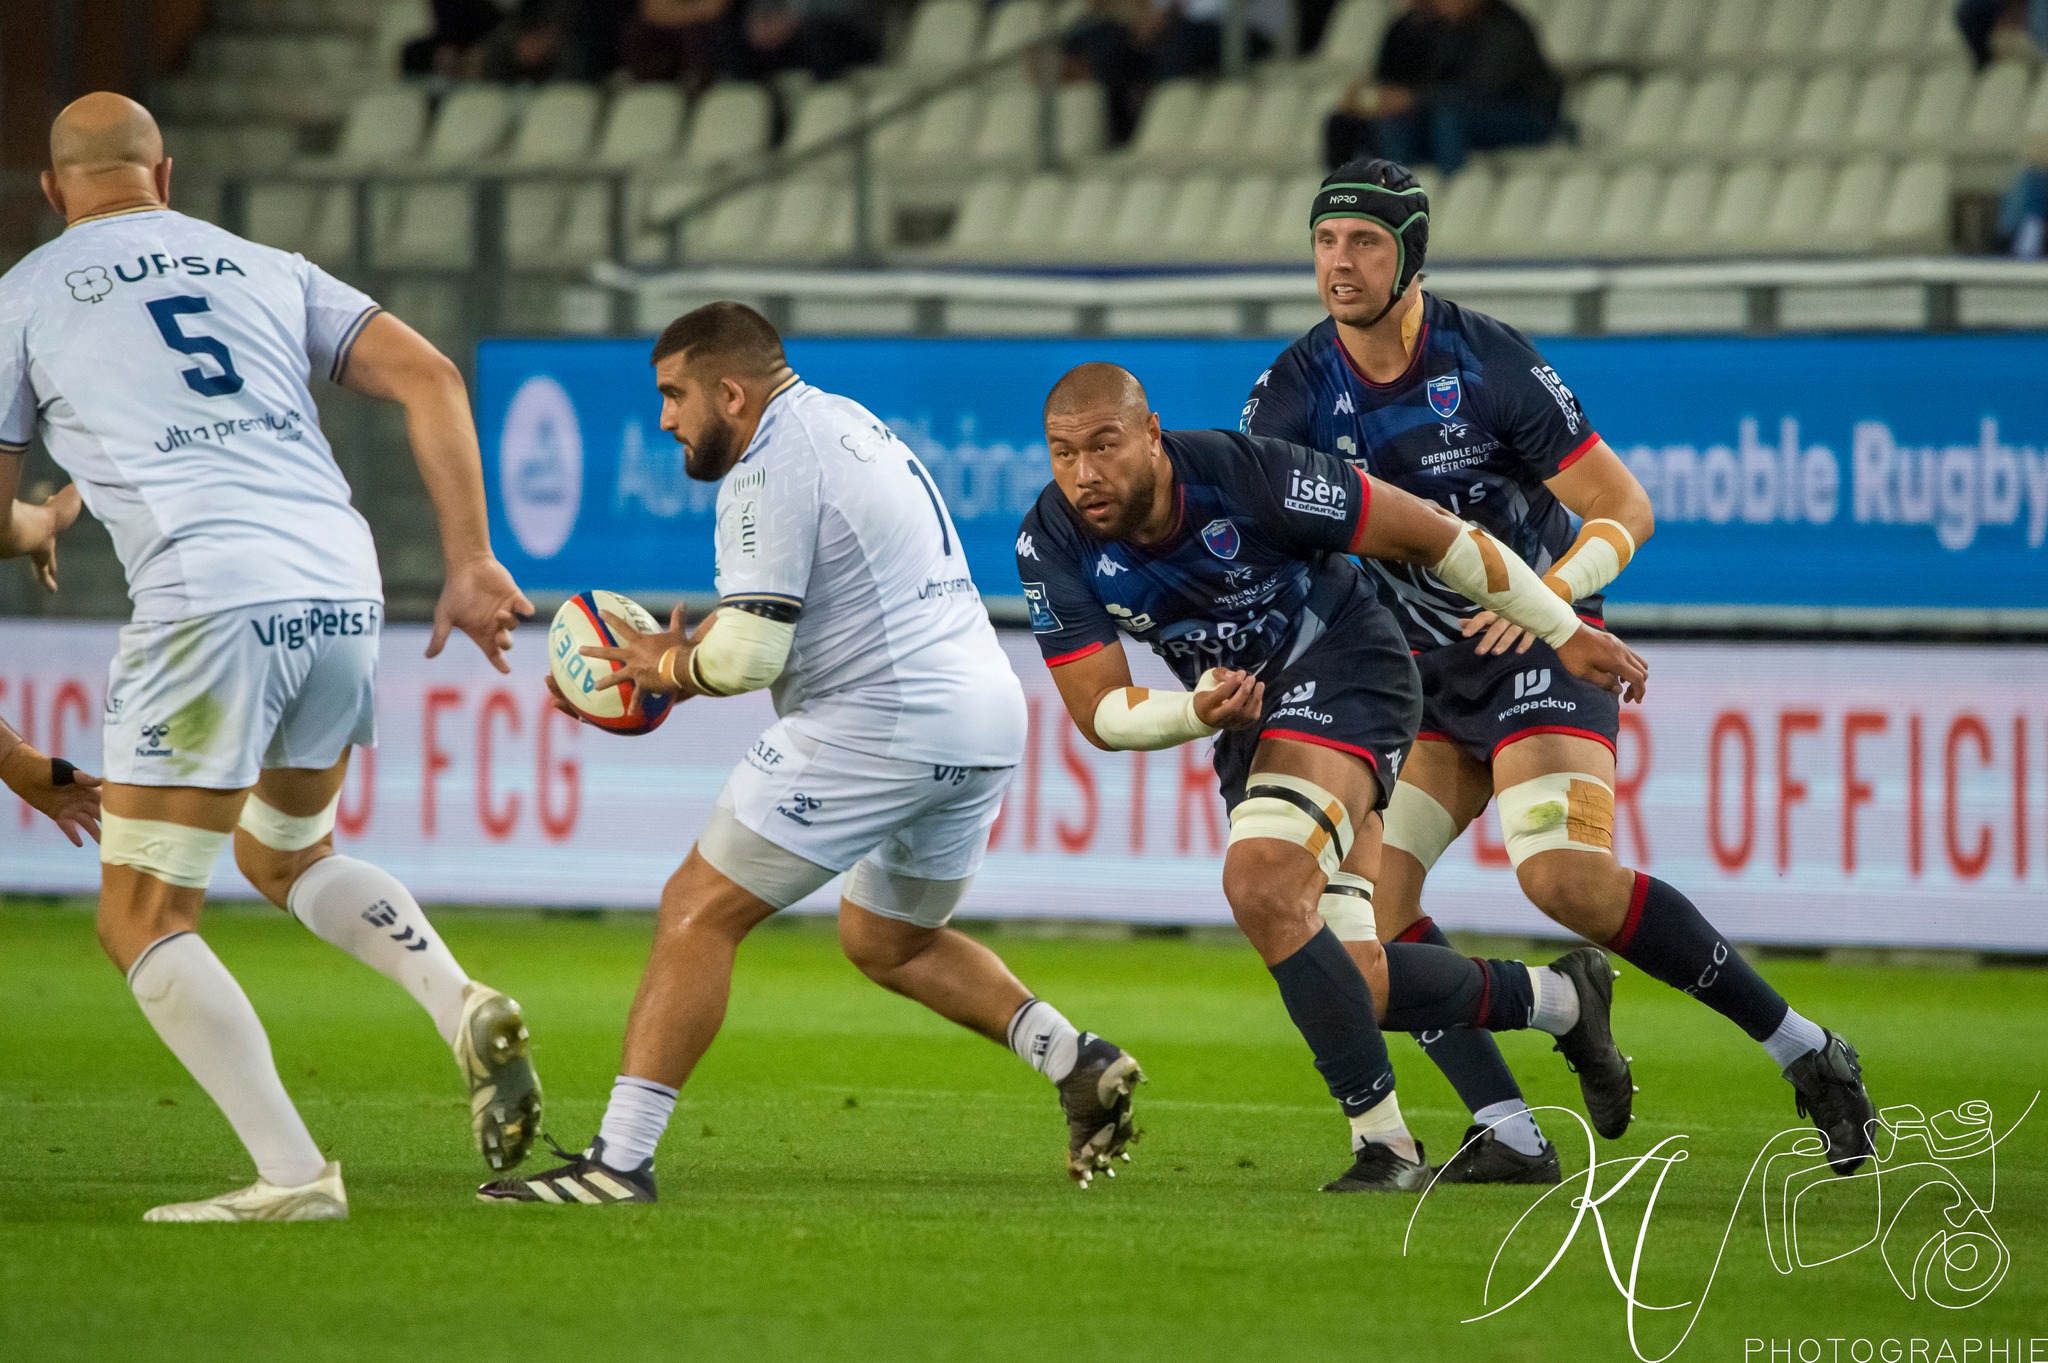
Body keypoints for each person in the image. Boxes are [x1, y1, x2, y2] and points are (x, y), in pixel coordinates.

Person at [1243, 159, 1877, 1181]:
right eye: (1324, 241)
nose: (1338, 263)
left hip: (1537, 650)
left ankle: (1804, 1049)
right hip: (1413, 673)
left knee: (1562, 879)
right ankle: (1510, 1131)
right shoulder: (1290, 391)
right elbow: (1268, 536)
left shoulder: (1483, 361)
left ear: (1407, 252)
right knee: (1366, 919)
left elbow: (1622, 506)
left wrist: (1545, 597)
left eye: (1362, 241)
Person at [0, 93, 544, 1222]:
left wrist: (7, 748)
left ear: (51, 194)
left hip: (208, 601)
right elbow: (433, 375)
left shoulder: (23, 300)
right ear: (168, 174)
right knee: (287, 850)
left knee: (142, 915)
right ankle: (456, 997)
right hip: (338, 582)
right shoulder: (263, 265)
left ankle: (295, 1178)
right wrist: (471, 561)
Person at [479, 303, 1142, 1205]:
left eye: (675, 395)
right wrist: (680, 657)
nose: (665, 418)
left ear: (730, 392)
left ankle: (617, 1162)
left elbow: (752, 656)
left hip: (882, 718)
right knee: (890, 938)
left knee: (695, 910)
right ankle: (1075, 1058)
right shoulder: (844, 421)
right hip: (984, 715)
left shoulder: (766, 467)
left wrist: (664, 667)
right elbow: (812, 602)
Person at [1018, 361, 1648, 1192]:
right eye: (1064, 454)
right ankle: (1563, 1000)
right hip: (1246, 718)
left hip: (1351, 670)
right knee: (1359, 980)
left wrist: (1560, 626)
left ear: (1152, 432)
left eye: (1105, 446)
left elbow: (1435, 535)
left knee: (1263, 884)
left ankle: (1385, 1147)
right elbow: (1099, 710)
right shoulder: (1051, 540)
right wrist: (1195, 713)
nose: (1085, 474)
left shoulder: (1252, 475)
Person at [1323, 0, 1559, 174]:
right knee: (1394, 125)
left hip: (1525, 114)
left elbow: (1483, 89)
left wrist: (1413, 99)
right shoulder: (1438, 29)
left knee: (1447, 121)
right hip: (1457, 109)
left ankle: (1452, 189)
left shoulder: (1505, 27)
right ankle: (1397, 197)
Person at [1065, 0, 1287, 145]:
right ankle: (1120, 129)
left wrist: (1160, 18)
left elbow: (1210, 10)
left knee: (1176, 41)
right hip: (1185, 27)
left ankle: (1168, 130)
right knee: (1105, 41)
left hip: (1246, 30)